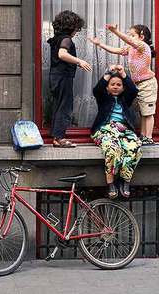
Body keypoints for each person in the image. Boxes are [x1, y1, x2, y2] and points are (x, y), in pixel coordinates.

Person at [89, 24, 157, 145]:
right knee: (142, 111)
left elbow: (130, 41)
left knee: (148, 111)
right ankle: (143, 135)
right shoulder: (131, 48)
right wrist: (100, 45)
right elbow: (116, 50)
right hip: (138, 84)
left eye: (133, 35)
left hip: (147, 83)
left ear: (141, 36)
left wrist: (116, 31)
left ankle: (149, 137)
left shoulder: (143, 46)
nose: (130, 37)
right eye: (130, 35)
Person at [91, 65, 142, 199]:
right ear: (107, 88)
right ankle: (111, 183)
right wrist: (109, 72)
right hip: (106, 129)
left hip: (124, 131)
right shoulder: (103, 98)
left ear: (122, 88)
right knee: (113, 149)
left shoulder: (125, 99)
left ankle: (125, 180)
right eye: (112, 84)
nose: (115, 86)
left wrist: (123, 73)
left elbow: (133, 90)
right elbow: (97, 90)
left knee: (134, 146)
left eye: (118, 84)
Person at [48, 10, 92, 148]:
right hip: (63, 77)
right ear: (71, 26)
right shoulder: (66, 39)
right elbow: (62, 54)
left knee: (58, 105)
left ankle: (56, 137)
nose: (76, 31)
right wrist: (79, 61)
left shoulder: (56, 38)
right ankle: (59, 138)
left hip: (55, 76)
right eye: (76, 28)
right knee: (65, 107)